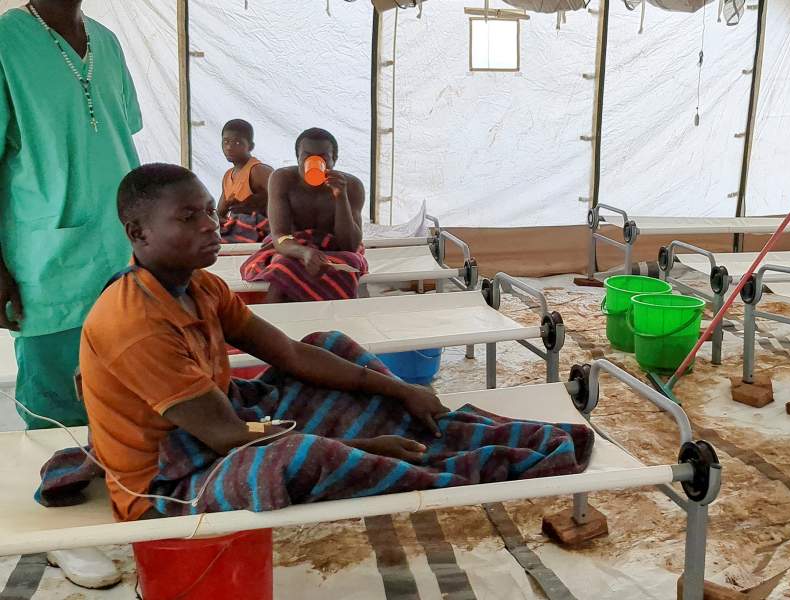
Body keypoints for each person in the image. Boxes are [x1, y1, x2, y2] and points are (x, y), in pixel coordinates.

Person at [40, 164, 590, 522]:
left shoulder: (201, 286)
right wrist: (360, 450)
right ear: (139, 235)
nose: (211, 226)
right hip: (165, 479)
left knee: (331, 344)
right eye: (189, 217)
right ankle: (432, 460)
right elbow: (228, 436)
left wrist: (401, 392)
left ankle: (416, 426)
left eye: (209, 210)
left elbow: (291, 353)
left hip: (213, 419)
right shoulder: (134, 325)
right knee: (304, 452)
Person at [0, 0, 142, 588]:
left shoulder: (105, 41)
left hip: (118, 247)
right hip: (44, 252)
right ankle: (61, 529)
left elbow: (117, 136)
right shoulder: (7, 42)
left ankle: (113, 501)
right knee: (53, 390)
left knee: (122, 382)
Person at [240, 127, 369, 302]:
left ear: (334, 160)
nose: (313, 161)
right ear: (298, 158)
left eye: (323, 157)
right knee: (282, 266)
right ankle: (273, 324)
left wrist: (340, 197)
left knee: (349, 265)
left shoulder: (352, 185)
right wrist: (304, 252)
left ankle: (340, 322)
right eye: (307, 156)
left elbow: (350, 245)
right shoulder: (282, 179)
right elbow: (280, 236)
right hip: (292, 246)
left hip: (336, 250)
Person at [217, 119, 273, 243]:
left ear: (250, 146)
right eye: (225, 142)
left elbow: (283, 200)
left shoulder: (258, 171)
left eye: (237, 143)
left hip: (259, 233)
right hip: (238, 231)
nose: (229, 147)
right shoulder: (227, 176)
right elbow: (220, 214)